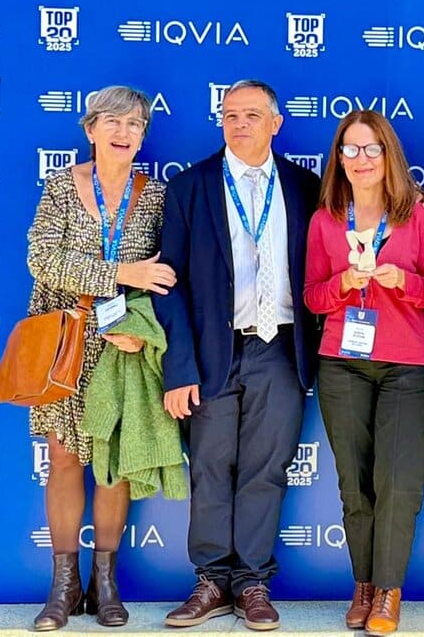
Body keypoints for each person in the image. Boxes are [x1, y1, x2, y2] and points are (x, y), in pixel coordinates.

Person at [152, 80, 320, 632]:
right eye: (230, 115)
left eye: (251, 115)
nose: (239, 124)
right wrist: (179, 368)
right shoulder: (190, 186)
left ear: (275, 123)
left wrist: (419, 204)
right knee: (209, 465)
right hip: (212, 352)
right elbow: (168, 284)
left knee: (265, 469)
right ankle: (211, 581)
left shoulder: (305, 186)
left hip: (281, 348)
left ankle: (251, 583)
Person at [24, 85, 177, 631]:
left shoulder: (156, 196)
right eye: (112, 121)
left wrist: (137, 327)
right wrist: (120, 271)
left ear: (143, 136)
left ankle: (104, 584)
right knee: (64, 458)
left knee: (115, 462)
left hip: (123, 347)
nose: (122, 132)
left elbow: (166, 274)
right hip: (65, 344)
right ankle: (63, 587)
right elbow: (43, 259)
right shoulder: (61, 186)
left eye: (134, 124)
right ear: (90, 130)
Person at [304, 111, 424, 636]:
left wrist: (402, 280)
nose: (361, 159)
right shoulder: (325, 220)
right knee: (354, 483)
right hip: (342, 363)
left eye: (371, 149)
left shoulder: (417, 216)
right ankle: (362, 585)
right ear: (338, 159)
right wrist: (343, 283)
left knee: (398, 482)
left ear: (389, 155)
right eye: (350, 149)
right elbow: (312, 297)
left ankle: (389, 589)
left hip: (407, 364)